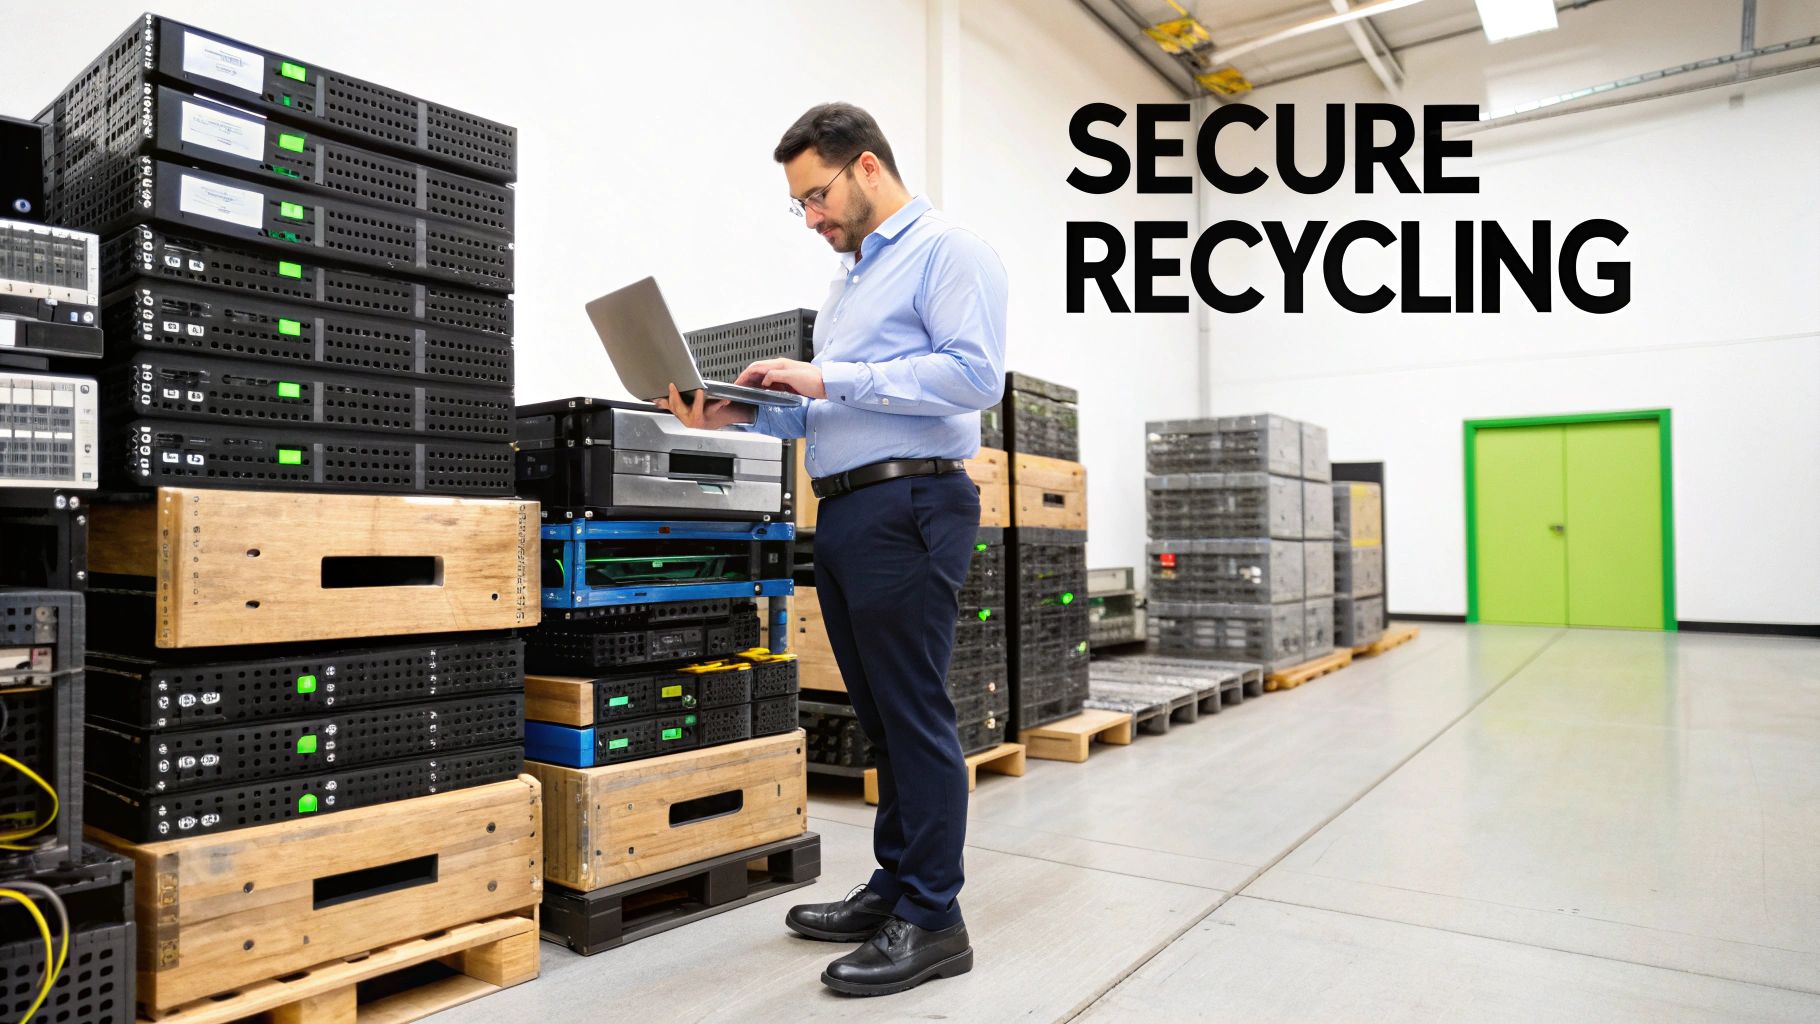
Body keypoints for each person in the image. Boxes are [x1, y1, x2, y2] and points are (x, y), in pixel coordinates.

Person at [656, 101, 1007, 996]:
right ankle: (896, 885)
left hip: (914, 499)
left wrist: (830, 373)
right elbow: (833, 405)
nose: (811, 217)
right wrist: (741, 411)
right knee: (882, 716)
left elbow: (975, 376)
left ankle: (934, 918)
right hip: (849, 506)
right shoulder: (850, 282)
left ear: (866, 169)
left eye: (816, 196)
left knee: (915, 711)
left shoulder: (948, 252)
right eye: (800, 205)